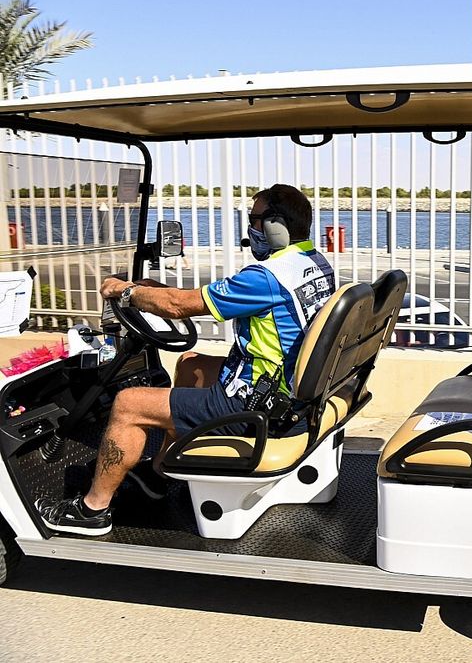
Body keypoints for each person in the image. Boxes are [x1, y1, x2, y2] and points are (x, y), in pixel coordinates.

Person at [36, 184, 336, 536]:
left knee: (128, 404)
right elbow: (192, 298)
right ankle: (160, 473)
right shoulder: (311, 263)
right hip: (285, 392)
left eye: (255, 221)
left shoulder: (266, 278)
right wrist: (151, 290)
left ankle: (91, 510)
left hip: (256, 405)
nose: (250, 230)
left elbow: (179, 307)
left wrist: (126, 291)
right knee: (191, 364)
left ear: (274, 226)